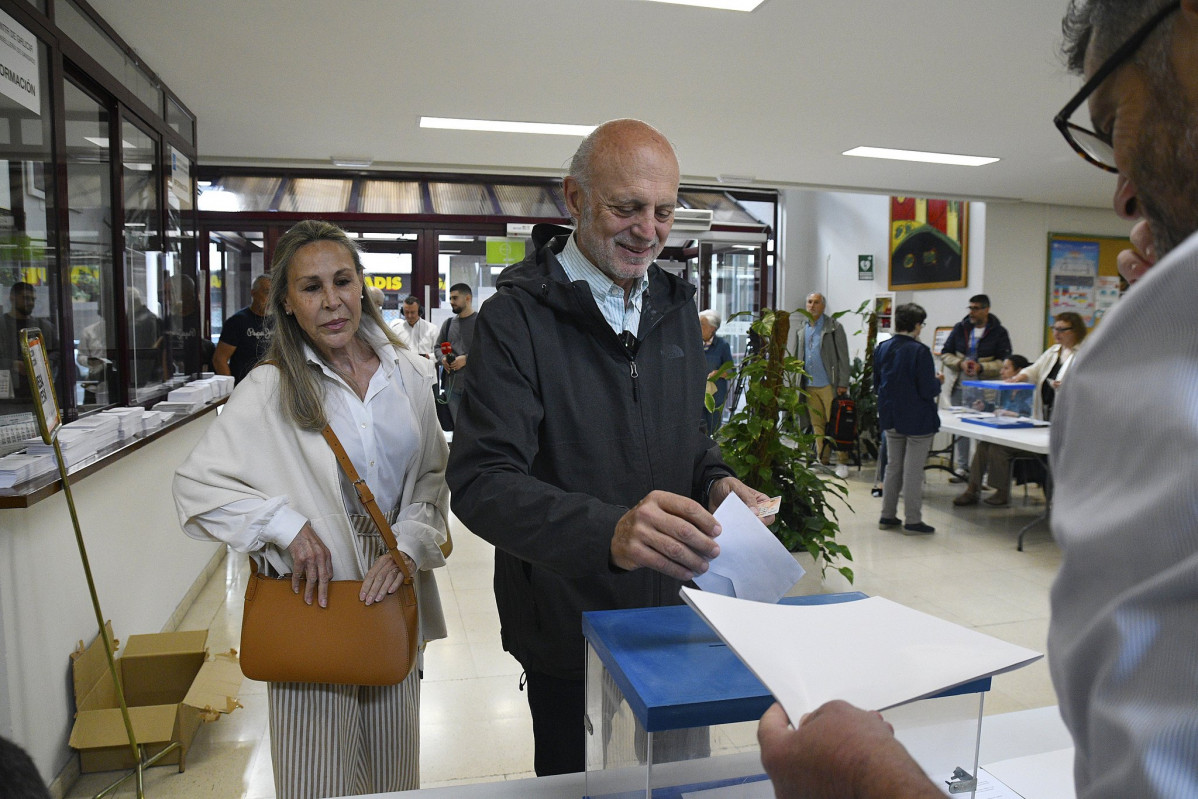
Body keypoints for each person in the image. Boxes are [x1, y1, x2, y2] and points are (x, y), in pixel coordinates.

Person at [758, 3, 1198, 796]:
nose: (1122, 192)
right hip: (912, 420)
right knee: (905, 470)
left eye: (1110, 121)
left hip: (912, 419)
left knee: (904, 471)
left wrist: (865, 777)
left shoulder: (1168, 349)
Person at [445, 118, 770, 777]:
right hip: (570, 625)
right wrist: (610, 532)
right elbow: (482, 480)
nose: (648, 230)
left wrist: (716, 481)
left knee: (679, 781)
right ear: (575, 197)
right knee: (585, 785)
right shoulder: (514, 319)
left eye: (663, 211)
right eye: (627, 207)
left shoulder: (677, 306)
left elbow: (688, 440)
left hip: (678, 614)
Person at [173, 220, 449, 798]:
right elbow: (196, 487)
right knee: (317, 774)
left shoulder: (408, 377)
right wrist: (286, 526)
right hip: (312, 599)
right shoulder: (270, 388)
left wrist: (407, 544)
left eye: (343, 281)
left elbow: (430, 476)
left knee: (394, 768)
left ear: (363, 286)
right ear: (287, 304)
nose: (332, 302)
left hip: (390, 588)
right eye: (311, 288)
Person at [873, 303, 941, 534]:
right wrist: (938, 381)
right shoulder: (920, 351)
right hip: (918, 419)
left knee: (893, 467)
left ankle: (887, 515)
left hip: (891, 416)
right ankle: (912, 519)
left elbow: (876, 383)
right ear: (916, 326)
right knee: (913, 471)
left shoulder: (882, 347)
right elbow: (927, 389)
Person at [938, 294, 1012, 476]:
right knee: (961, 428)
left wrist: (981, 367)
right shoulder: (960, 328)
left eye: (976, 308)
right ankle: (962, 467)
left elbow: (1003, 361)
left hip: (986, 389)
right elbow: (945, 353)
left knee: (984, 430)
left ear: (986, 310)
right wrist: (960, 363)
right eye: (970, 308)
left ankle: (982, 472)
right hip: (960, 385)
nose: (972, 312)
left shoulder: (999, 332)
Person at [951, 354, 1033, 507]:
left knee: (997, 448)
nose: (1002, 372)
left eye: (1006, 368)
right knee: (983, 446)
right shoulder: (1006, 389)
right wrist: (984, 406)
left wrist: (1016, 414)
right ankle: (972, 488)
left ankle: (1001, 492)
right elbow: (998, 408)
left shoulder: (1029, 390)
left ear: (1019, 371)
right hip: (1005, 432)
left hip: (1024, 436)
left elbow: (1030, 414)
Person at [794, 292, 852, 477]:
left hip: (829, 385)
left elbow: (844, 357)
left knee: (836, 423)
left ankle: (842, 461)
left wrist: (843, 382)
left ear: (823, 306)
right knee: (817, 425)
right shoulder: (802, 329)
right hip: (809, 385)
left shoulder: (834, 328)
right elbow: (797, 356)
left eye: (816, 302)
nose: (812, 305)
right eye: (809, 301)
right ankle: (823, 459)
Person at [1010, 312, 1086, 421]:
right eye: (1054, 329)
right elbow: (1035, 369)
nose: (1056, 333)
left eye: (1061, 330)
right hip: (1046, 406)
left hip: (1069, 409)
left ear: (1075, 331)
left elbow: (1089, 381)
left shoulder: (1084, 353)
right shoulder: (1053, 351)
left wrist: (1067, 385)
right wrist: (1021, 377)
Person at [0, 282, 58, 409]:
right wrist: (13, 365)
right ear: (12, 297)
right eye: (26, 298)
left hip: (37, 393)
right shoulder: (2, 325)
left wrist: (40, 363)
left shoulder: (43, 327)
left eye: (33, 299)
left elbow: (56, 353)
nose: (31, 302)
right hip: (7, 393)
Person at [214, 273, 271, 384]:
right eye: (267, 292)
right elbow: (219, 359)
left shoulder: (278, 321)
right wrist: (231, 391)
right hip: (245, 386)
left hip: (271, 385)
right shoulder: (237, 322)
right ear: (253, 293)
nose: (270, 299)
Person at [435, 283, 475, 423]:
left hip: (475, 387)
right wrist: (443, 359)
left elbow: (490, 351)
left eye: (455, 298)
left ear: (467, 298)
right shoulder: (448, 323)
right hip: (451, 387)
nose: (451, 302)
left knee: (475, 428)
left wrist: (466, 359)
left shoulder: (480, 322)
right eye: (450, 298)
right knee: (458, 429)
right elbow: (437, 347)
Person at [699, 308, 734, 434]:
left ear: (713, 328)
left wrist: (717, 373)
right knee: (698, 429)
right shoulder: (695, 344)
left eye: (702, 324)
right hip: (697, 394)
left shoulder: (722, 345)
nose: (699, 327)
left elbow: (730, 371)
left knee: (713, 429)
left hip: (715, 396)